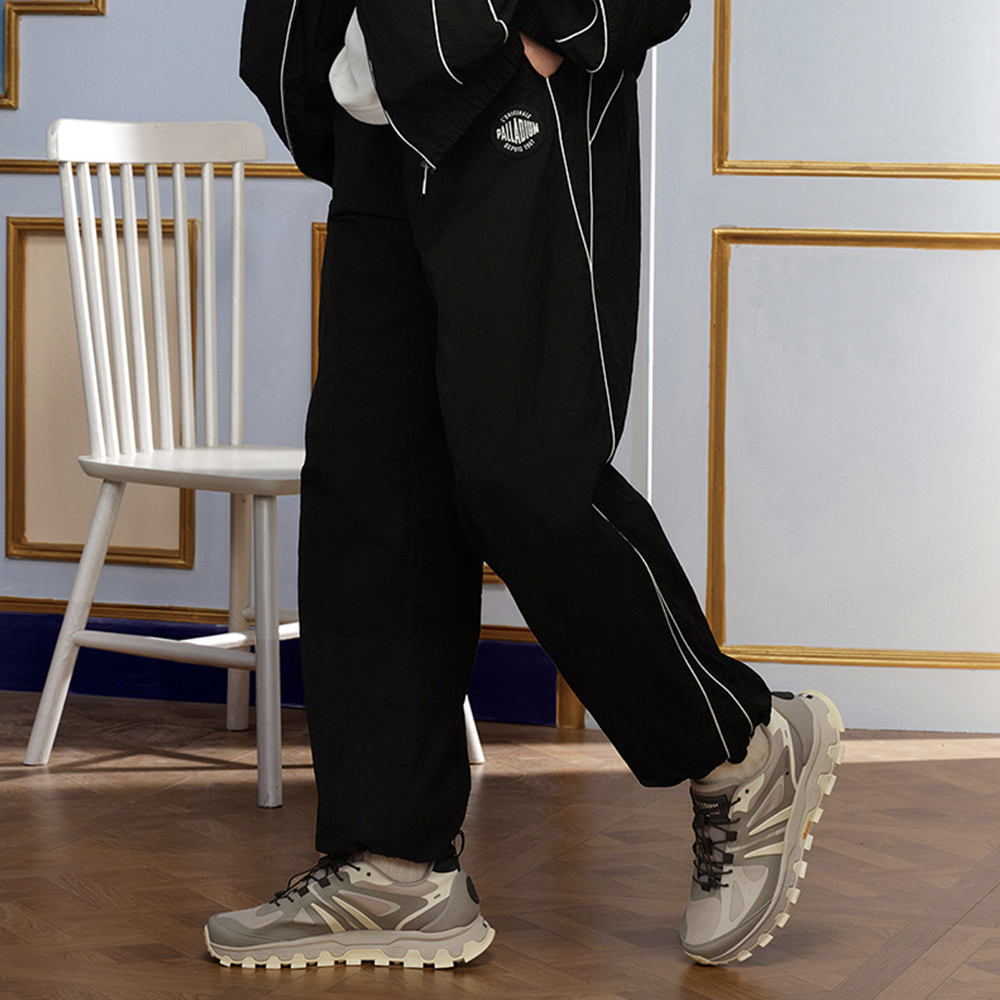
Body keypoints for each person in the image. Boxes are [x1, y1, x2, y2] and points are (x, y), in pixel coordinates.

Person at [206, 0, 844, 970]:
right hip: (374, 96)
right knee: (373, 488)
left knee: (523, 474)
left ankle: (738, 745)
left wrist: (546, 33)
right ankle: (392, 863)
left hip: (505, 86)